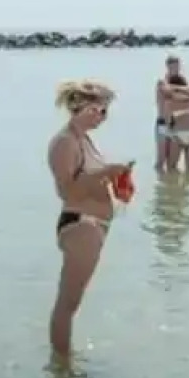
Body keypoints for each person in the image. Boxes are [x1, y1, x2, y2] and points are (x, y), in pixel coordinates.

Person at [47, 80, 133, 357]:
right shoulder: (64, 142)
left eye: (105, 111)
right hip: (81, 224)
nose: (101, 117)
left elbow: (88, 181)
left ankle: (64, 364)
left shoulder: (84, 140)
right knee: (67, 304)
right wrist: (107, 172)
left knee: (73, 304)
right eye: (96, 110)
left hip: (95, 224)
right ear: (78, 106)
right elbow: (67, 189)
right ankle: (63, 371)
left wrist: (116, 181)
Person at [164, 75, 189, 173]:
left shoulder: (169, 100)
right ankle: (188, 187)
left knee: (172, 167)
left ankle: (175, 187)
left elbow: (168, 121)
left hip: (177, 133)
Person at [154, 57, 182, 172]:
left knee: (173, 162)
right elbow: (168, 92)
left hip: (176, 124)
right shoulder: (162, 82)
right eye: (173, 66)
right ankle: (158, 183)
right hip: (163, 123)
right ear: (167, 67)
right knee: (161, 159)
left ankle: (171, 186)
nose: (176, 69)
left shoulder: (181, 82)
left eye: (177, 66)